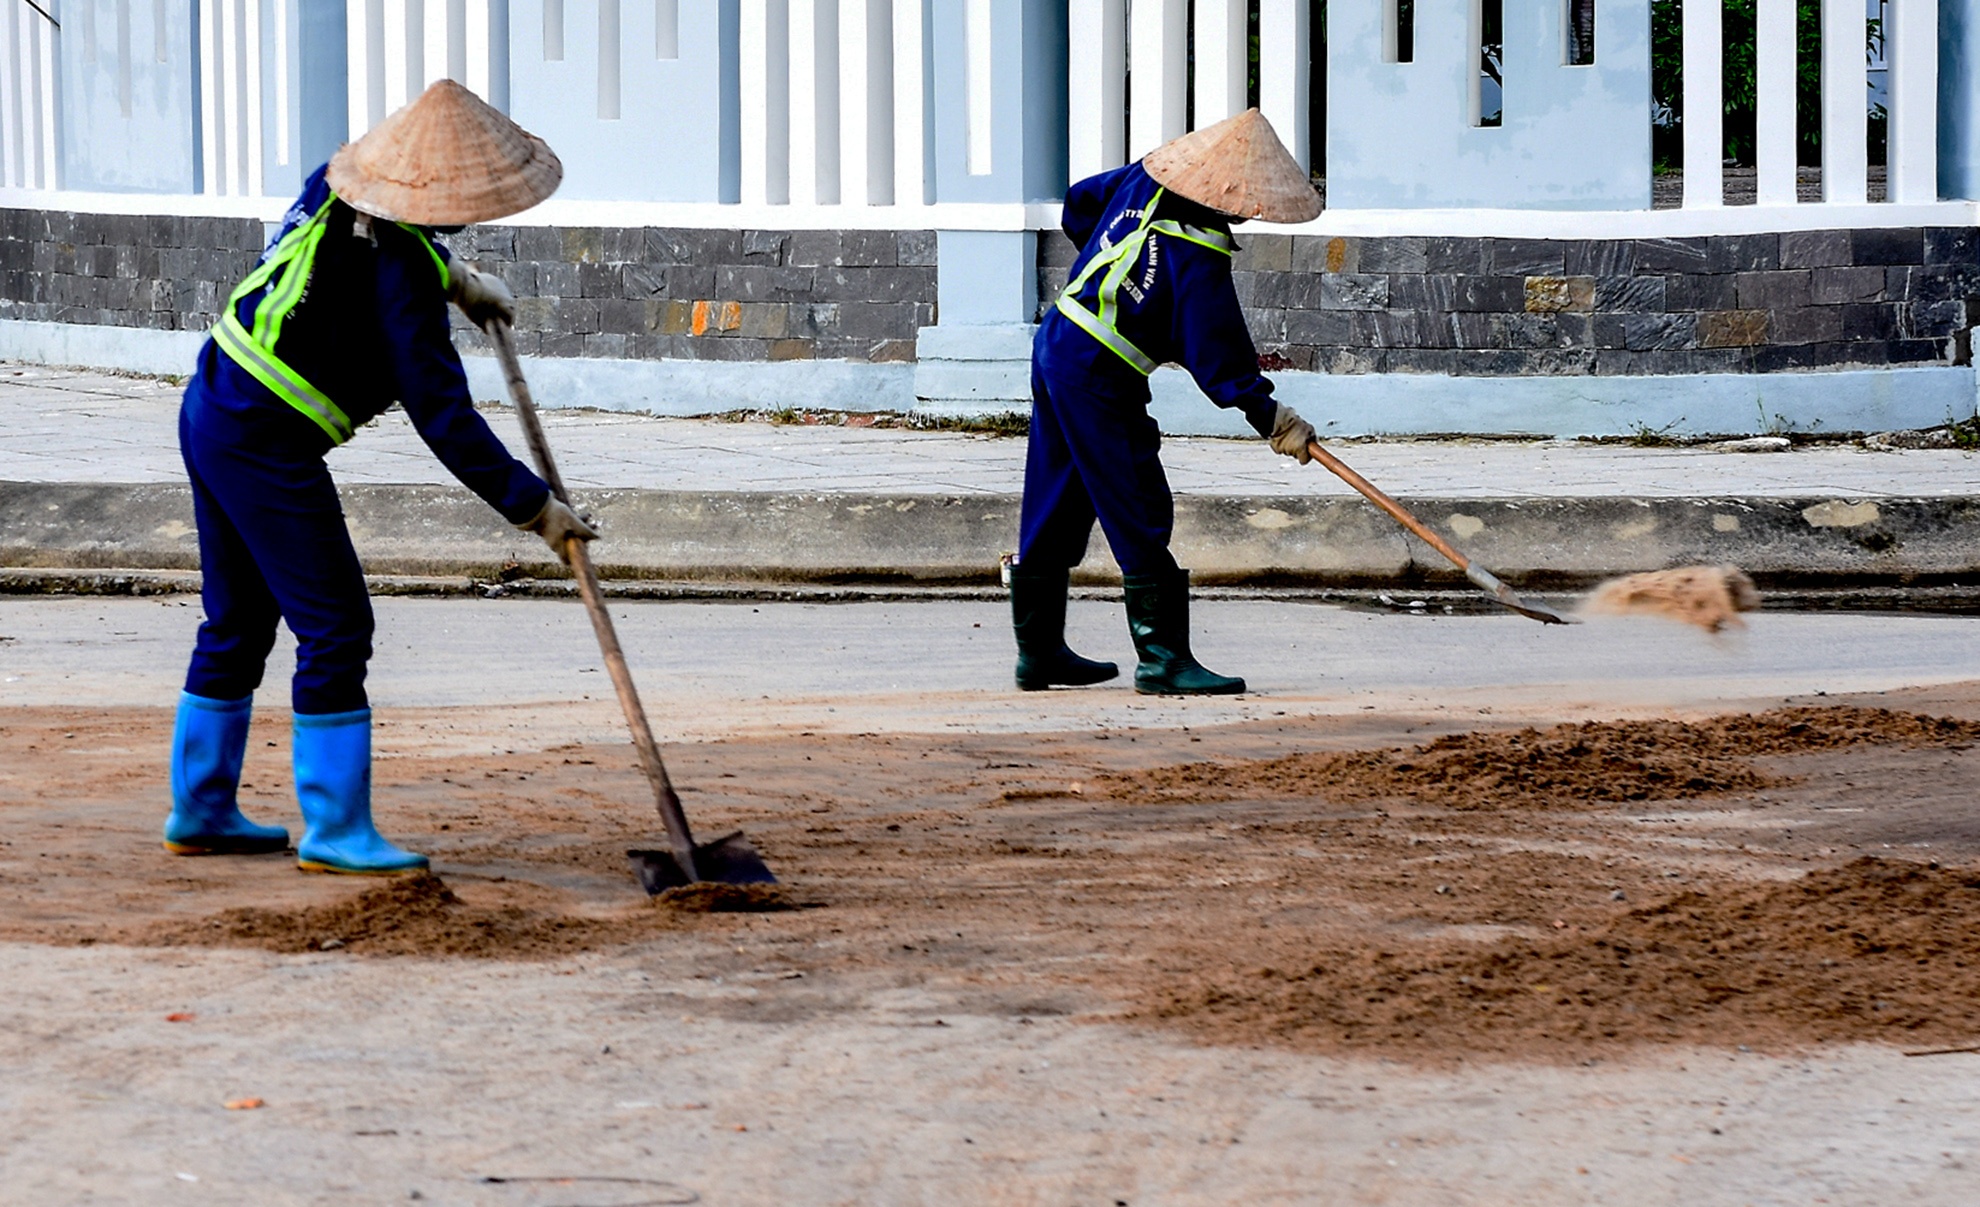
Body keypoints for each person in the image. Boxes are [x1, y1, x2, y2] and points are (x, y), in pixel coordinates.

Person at [163, 81, 593, 875]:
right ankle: (335, 827)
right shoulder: (402, 280)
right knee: (336, 627)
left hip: (213, 404)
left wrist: (461, 281)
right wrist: (536, 508)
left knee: (238, 620)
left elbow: (401, 240)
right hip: (261, 441)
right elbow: (444, 417)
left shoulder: (335, 183)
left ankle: (202, 808)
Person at [1010, 109, 1322, 696]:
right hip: (1101, 373)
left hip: (1058, 339)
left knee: (1056, 493)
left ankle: (1039, 652)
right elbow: (1219, 355)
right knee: (1137, 499)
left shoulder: (1141, 181)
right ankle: (1163, 660)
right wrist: (1271, 417)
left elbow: (1080, 203)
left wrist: (1113, 279)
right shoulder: (1197, 251)